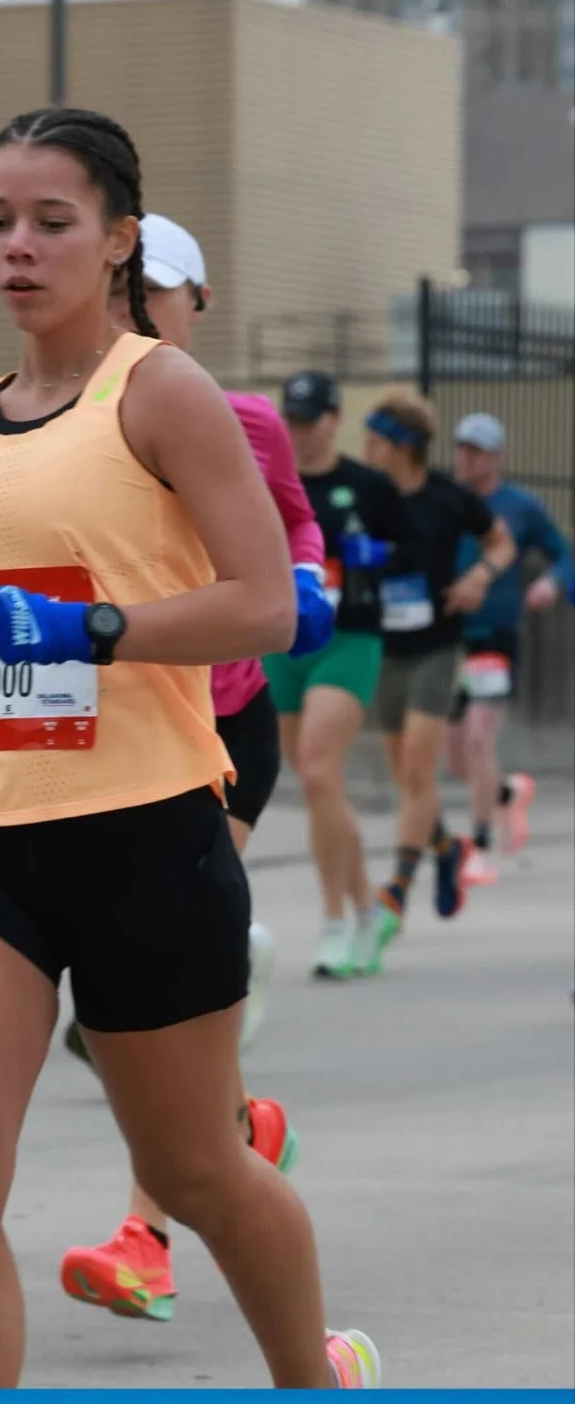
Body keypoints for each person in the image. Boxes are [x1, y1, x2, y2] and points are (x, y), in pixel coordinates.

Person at [0, 107, 379, 1389]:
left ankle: (318, 1385)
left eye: (52, 223)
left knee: (196, 1169)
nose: (18, 246)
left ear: (119, 239)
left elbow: (266, 604)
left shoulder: (164, 394)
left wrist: (91, 628)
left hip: (146, 827)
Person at [59, 213, 334, 1324]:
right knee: (112, 1014)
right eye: (125, 287)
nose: (136, 308)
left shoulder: (242, 419)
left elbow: (296, 531)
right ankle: (238, 1127)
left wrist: (312, 588)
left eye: (157, 291)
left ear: (197, 306)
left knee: (158, 988)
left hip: (213, 735)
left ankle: (146, 1236)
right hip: (99, 739)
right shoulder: (59, 417)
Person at [355, 388, 515, 974]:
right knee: (407, 780)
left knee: (419, 774)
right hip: (384, 650)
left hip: (436, 649)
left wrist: (479, 576)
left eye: (375, 440)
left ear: (403, 447)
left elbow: (503, 540)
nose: (366, 450)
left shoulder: (448, 497)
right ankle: (446, 848)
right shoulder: (368, 497)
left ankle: (395, 891)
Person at [272, 370, 418, 977]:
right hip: (281, 641)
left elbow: (415, 552)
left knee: (316, 768)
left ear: (335, 420)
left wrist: (374, 557)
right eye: (293, 422)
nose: (300, 433)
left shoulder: (367, 486)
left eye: (311, 421)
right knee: (318, 785)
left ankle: (333, 923)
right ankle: (366, 909)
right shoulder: (269, 484)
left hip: (349, 639)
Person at [446, 412, 573, 884]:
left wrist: (552, 583)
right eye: (462, 448)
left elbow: (564, 553)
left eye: (477, 451)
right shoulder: (449, 501)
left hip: (495, 638)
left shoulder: (521, 507)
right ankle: (506, 793)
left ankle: (477, 848)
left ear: (497, 457)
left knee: (481, 740)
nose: (466, 459)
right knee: (458, 757)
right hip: (448, 639)